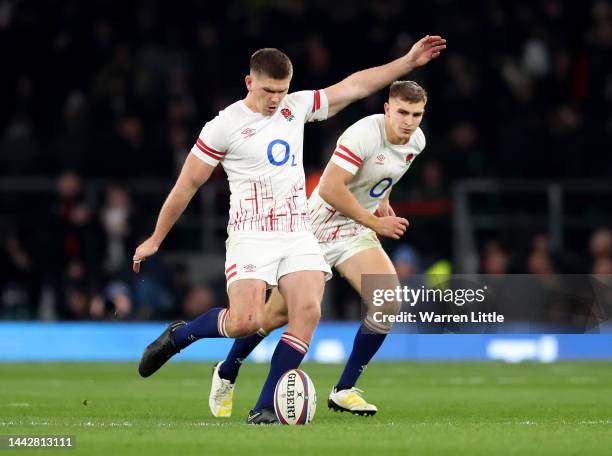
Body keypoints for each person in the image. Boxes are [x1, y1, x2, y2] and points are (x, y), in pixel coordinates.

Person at [133, 39, 446, 424]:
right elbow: (187, 185)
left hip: (297, 229)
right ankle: (182, 336)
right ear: (249, 82)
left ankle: (265, 405)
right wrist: (156, 238)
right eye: (268, 91)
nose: (276, 99)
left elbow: (355, 86)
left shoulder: (294, 107)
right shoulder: (224, 126)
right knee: (247, 321)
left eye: (282, 91)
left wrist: (406, 62)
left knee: (308, 310)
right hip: (250, 233)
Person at [209, 80, 429, 419]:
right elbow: (328, 188)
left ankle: (344, 390)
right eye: (402, 112)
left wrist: (382, 201)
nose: (409, 121)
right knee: (273, 317)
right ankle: (227, 370)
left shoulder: (417, 141)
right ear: (387, 108)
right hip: (316, 230)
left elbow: (380, 173)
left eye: (416, 114)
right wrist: (375, 223)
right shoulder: (363, 135)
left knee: (387, 301)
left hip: (354, 230)